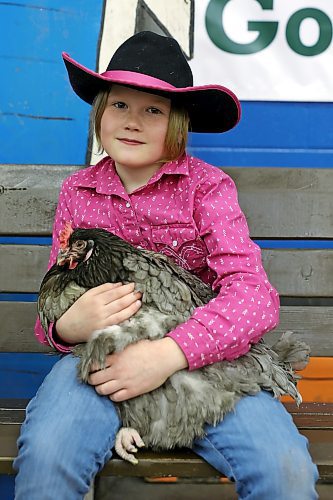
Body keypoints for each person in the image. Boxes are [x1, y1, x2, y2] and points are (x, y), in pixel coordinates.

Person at [14, 31, 318, 499]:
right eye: (119, 105)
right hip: (97, 363)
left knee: (284, 471)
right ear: (99, 112)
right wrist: (67, 327)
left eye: (152, 109)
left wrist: (167, 355)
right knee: (47, 457)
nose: (132, 121)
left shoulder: (206, 189)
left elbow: (253, 296)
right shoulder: (79, 192)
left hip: (203, 366)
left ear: (177, 121)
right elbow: (53, 301)